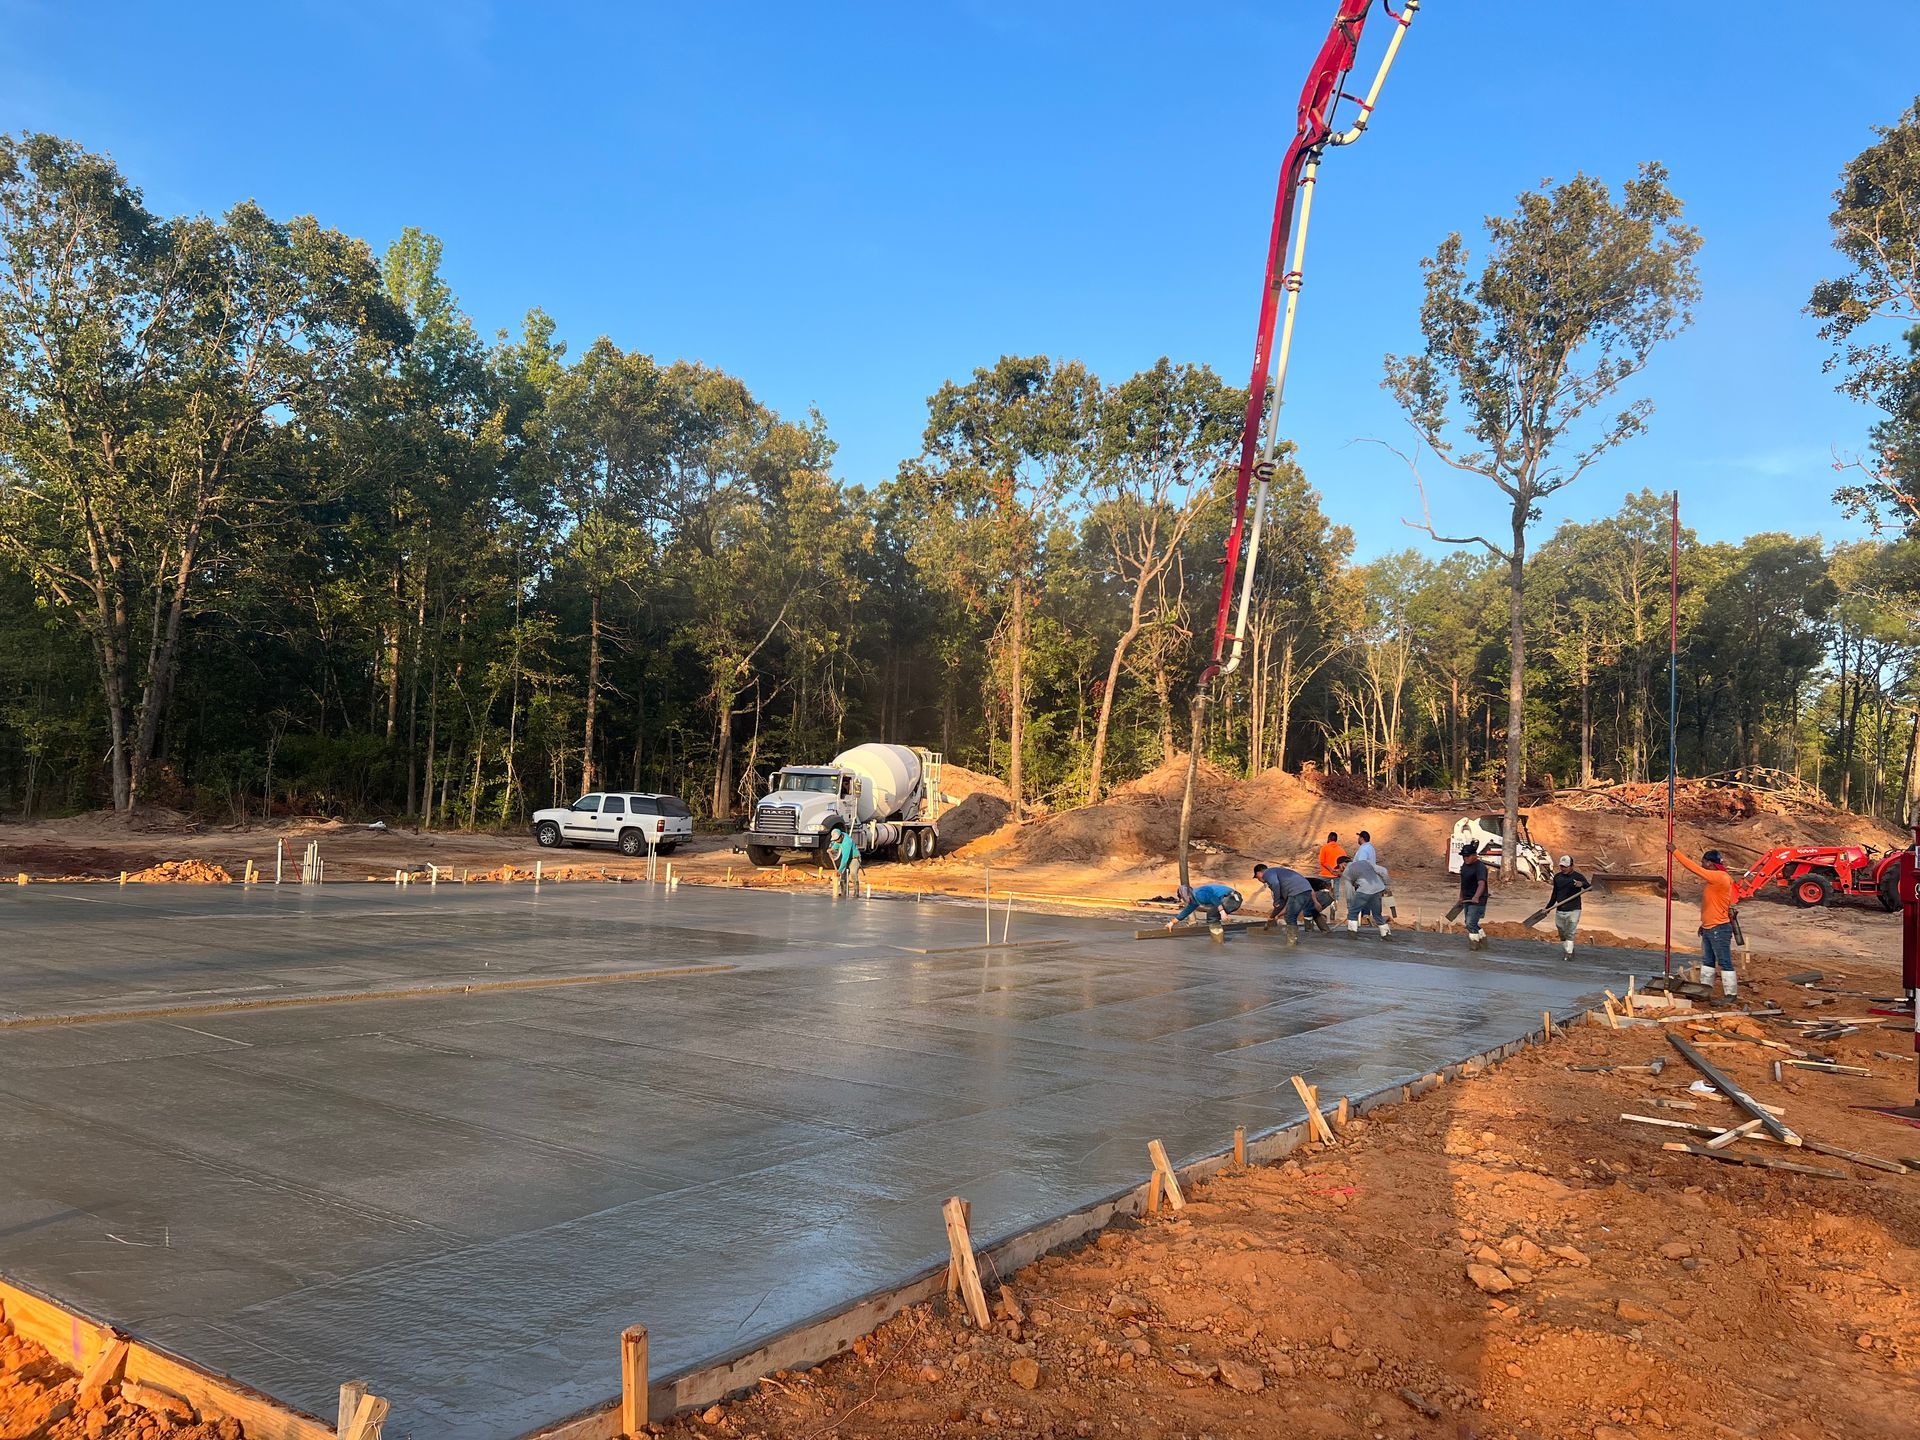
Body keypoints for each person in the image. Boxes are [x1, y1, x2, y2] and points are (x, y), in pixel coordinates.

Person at [1672, 846, 1738, 998]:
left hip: (1718, 928)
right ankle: (1704, 991)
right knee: (1708, 961)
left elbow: (1693, 867)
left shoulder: (1719, 877)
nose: (1702, 865)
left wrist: (1675, 852)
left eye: (1703, 862)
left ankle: (1731, 994)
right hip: (1710, 927)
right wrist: (1704, 924)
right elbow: (1713, 905)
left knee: (1724, 961)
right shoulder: (1715, 879)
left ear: (1709, 863)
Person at [1253, 861, 1320, 946]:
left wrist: (1276, 901)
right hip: (1306, 890)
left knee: (1290, 916)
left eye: (1257, 877)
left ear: (1259, 873)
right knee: (1297, 913)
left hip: (1297, 891)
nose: (1259, 880)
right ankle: (1325, 931)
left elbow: (1275, 884)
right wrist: (1273, 916)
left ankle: (1291, 944)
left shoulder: (1268, 873)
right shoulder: (1281, 878)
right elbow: (1283, 905)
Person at [1548, 854, 1589, 959]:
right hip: (1560, 909)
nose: (1563, 869)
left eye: (1566, 867)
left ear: (1572, 866)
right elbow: (1554, 894)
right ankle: (1569, 949)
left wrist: (1582, 884)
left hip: (1574, 909)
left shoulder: (1578, 877)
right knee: (1562, 933)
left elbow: (1589, 887)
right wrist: (1548, 908)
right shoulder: (1557, 877)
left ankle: (1568, 955)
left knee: (1570, 932)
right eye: (1562, 866)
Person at [1344, 853, 1392, 939]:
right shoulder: (1365, 862)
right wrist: (1386, 885)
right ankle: (1386, 934)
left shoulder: (1347, 871)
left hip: (1364, 890)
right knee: (1377, 914)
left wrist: (1349, 904)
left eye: (1340, 867)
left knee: (1353, 912)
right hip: (1378, 889)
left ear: (1343, 864)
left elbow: (1349, 891)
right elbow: (1384, 871)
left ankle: (1352, 935)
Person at [1167, 882, 1243, 930]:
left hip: (1232, 898)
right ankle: (1219, 933)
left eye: (1182, 898)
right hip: (1232, 899)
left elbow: (1213, 898)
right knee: (1213, 915)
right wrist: (1172, 923)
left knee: (1211, 915)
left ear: (1184, 896)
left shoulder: (1198, 894)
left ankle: (1218, 937)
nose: (1183, 901)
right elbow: (1185, 912)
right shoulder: (1194, 900)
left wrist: (1222, 912)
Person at [1458, 840, 1490, 949]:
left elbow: (1481, 883)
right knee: (1469, 922)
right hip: (1467, 898)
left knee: (1470, 924)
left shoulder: (1480, 867)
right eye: (1464, 856)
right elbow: (1463, 883)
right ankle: (1482, 940)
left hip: (1478, 900)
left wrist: (1476, 897)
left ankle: (1474, 946)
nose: (1465, 858)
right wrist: (1461, 897)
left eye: (1467, 856)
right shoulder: (1465, 866)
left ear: (1474, 855)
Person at [832, 826, 861, 898]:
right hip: (847, 858)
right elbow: (836, 845)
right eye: (835, 840)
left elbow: (845, 858)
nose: (837, 841)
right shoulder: (839, 838)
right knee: (843, 876)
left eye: (838, 839)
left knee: (853, 873)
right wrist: (832, 849)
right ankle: (843, 893)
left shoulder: (847, 842)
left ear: (841, 836)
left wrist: (839, 870)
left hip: (854, 858)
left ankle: (856, 893)